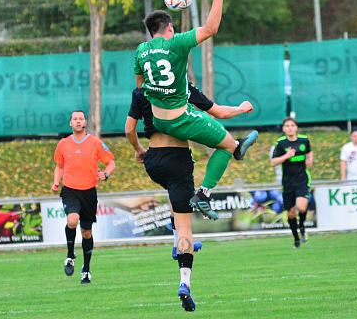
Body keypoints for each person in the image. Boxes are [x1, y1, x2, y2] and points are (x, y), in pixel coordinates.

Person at [134, 0, 259, 220]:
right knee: (229, 146)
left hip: (158, 121)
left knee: (224, 135)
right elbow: (211, 29)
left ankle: (238, 147)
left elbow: (140, 88)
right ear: (169, 27)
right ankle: (203, 194)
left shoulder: (141, 50)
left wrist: (161, 92)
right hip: (181, 118)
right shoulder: (177, 43)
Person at [125, 83, 253, 312]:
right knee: (186, 228)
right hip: (177, 161)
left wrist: (138, 150)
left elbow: (129, 129)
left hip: (153, 161)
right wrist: (242, 108)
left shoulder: (140, 91)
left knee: (177, 206)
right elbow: (221, 112)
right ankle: (184, 282)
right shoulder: (180, 85)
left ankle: (177, 244)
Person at [52, 110, 116, 285]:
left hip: (89, 192)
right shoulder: (63, 144)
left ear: (85, 122)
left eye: (81, 118)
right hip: (70, 190)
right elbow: (59, 166)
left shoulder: (95, 143)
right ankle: (70, 255)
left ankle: (86, 269)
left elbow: (111, 163)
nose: (78, 121)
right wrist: (56, 182)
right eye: (75, 119)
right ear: (70, 123)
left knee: (86, 233)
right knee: (72, 220)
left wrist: (106, 174)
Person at [269, 118, 313, 248]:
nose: (289, 128)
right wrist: (285, 156)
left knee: (302, 207)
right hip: (288, 182)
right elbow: (273, 162)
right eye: (287, 126)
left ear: (296, 127)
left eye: (292, 125)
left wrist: (310, 159)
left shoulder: (304, 140)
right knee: (291, 213)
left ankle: (302, 226)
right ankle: (296, 238)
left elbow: (309, 152)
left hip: (302, 179)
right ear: (283, 129)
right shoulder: (281, 143)